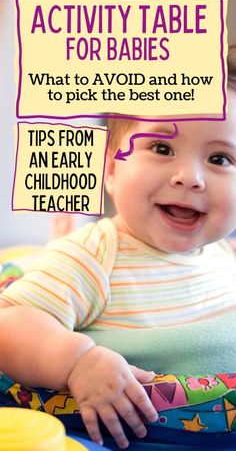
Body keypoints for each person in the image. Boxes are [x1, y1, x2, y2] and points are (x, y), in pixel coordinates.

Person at [0, 45, 236, 450]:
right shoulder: (94, 255)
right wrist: (78, 361)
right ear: (110, 169)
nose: (191, 178)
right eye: (161, 148)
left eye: (220, 158)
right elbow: (9, 326)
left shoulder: (224, 255)